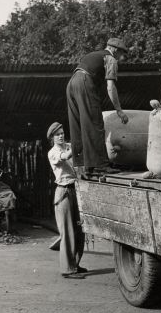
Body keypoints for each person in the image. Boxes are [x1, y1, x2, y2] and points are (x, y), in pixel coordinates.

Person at [66, 37, 129, 176]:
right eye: (122, 54)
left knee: (78, 125)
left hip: (72, 83)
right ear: (115, 50)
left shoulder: (93, 55)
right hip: (84, 82)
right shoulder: (110, 59)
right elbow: (111, 87)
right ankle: (101, 166)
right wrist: (119, 110)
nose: (122, 58)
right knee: (95, 122)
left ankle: (83, 166)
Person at [46, 122, 87, 279]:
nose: (61, 136)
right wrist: (78, 144)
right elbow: (65, 157)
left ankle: (75, 264)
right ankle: (67, 269)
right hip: (63, 193)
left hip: (76, 190)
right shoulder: (53, 152)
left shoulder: (69, 145)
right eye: (57, 134)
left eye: (62, 133)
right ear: (52, 138)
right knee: (68, 232)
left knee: (79, 231)